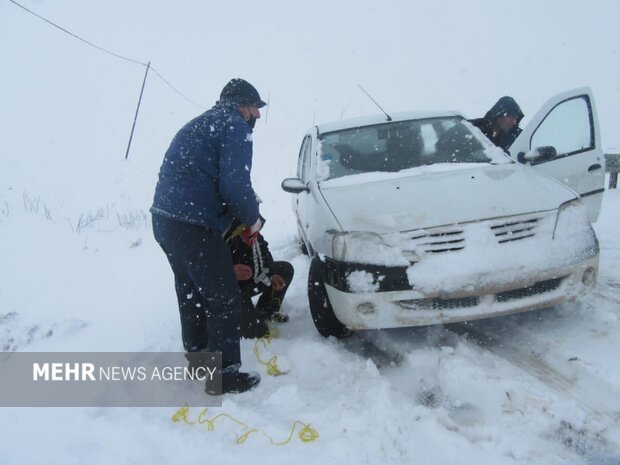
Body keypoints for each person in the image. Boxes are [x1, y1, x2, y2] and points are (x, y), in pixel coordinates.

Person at [150, 78, 267, 395]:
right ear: (242, 104)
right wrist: (252, 221)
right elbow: (234, 185)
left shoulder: (199, 124)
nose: (257, 114)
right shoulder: (234, 125)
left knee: (190, 287)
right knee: (223, 297)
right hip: (193, 225)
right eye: (255, 107)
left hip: (164, 221)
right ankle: (223, 376)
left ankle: (199, 360)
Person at [228, 217, 294, 339]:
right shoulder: (225, 241)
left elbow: (268, 260)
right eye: (247, 234)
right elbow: (210, 272)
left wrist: (273, 275)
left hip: (252, 281)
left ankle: (265, 309)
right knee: (256, 333)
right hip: (233, 291)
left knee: (285, 269)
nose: (253, 236)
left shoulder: (257, 237)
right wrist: (230, 272)